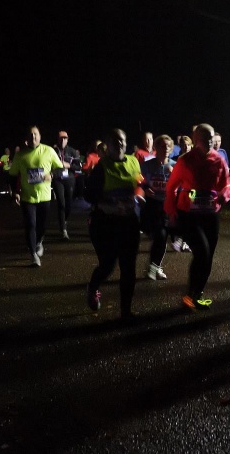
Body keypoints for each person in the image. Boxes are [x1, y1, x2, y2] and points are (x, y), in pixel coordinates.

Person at [165, 124, 230, 311]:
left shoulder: (218, 160)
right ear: (195, 140)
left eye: (211, 138)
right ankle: (190, 295)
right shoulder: (185, 160)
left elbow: (227, 185)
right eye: (204, 138)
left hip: (211, 214)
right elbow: (171, 187)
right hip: (189, 214)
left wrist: (223, 196)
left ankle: (197, 294)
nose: (209, 142)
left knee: (208, 255)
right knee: (202, 252)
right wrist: (171, 213)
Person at [84, 129, 143, 318]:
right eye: (115, 141)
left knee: (128, 267)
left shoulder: (134, 162)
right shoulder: (102, 167)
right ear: (107, 146)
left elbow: (139, 185)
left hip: (129, 222)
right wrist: (106, 203)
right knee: (108, 265)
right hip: (105, 223)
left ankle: (126, 311)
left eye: (123, 140)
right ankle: (92, 288)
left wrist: (140, 195)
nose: (120, 144)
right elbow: (88, 194)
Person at [8, 126, 64, 267]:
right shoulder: (20, 155)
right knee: (30, 224)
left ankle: (39, 241)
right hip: (28, 197)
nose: (33, 137)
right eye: (30, 134)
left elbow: (60, 169)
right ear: (26, 138)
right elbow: (13, 175)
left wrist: (51, 175)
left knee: (42, 225)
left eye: (36, 134)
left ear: (40, 136)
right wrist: (15, 192)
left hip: (45, 196)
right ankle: (33, 255)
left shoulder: (48, 150)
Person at [139, 135, 176, 280]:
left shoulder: (174, 165)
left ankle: (155, 267)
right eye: (162, 145)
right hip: (151, 205)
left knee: (162, 236)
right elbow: (139, 178)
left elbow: (181, 185)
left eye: (168, 146)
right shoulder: (148, 164)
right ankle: (155, 266)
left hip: (166, 205)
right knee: (159, 236)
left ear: (171, 148)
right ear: (156, 147)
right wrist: (146, 187)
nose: (165, 148)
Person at [52, 130, 81, 240]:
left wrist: (69, 165)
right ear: (58, 139)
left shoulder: (73, 151)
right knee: (61, 202)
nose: (63, 140)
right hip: (57, 179)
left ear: (68, 139)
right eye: (61, 138)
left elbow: (78, 167)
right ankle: (63, 229)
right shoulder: (53, 151)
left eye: (65, 138)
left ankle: (65, 220)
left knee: (68, 203)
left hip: (69, 179)